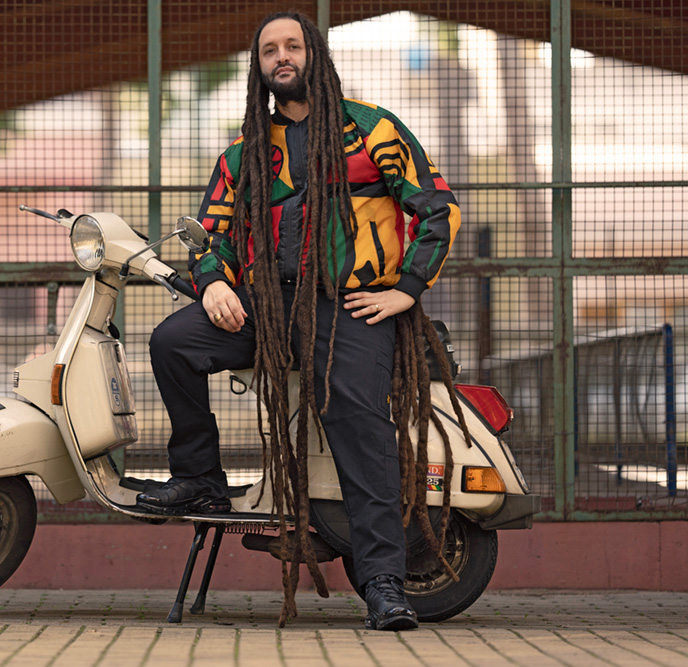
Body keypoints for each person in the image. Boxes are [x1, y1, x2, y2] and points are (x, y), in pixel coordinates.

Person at [137, 11, 461, 631]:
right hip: (266, 307)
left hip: (349, 307)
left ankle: (384, 585)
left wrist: (407, 291)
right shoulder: (244, 153)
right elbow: (211, 236)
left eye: (292, 46)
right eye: (269, 50)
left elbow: (436, 209)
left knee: (358, 425)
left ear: (315, 54)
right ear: (259, 67)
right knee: (174, 342)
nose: (281, 57)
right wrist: (213, 284)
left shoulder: (372, 129)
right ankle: (200, 479)